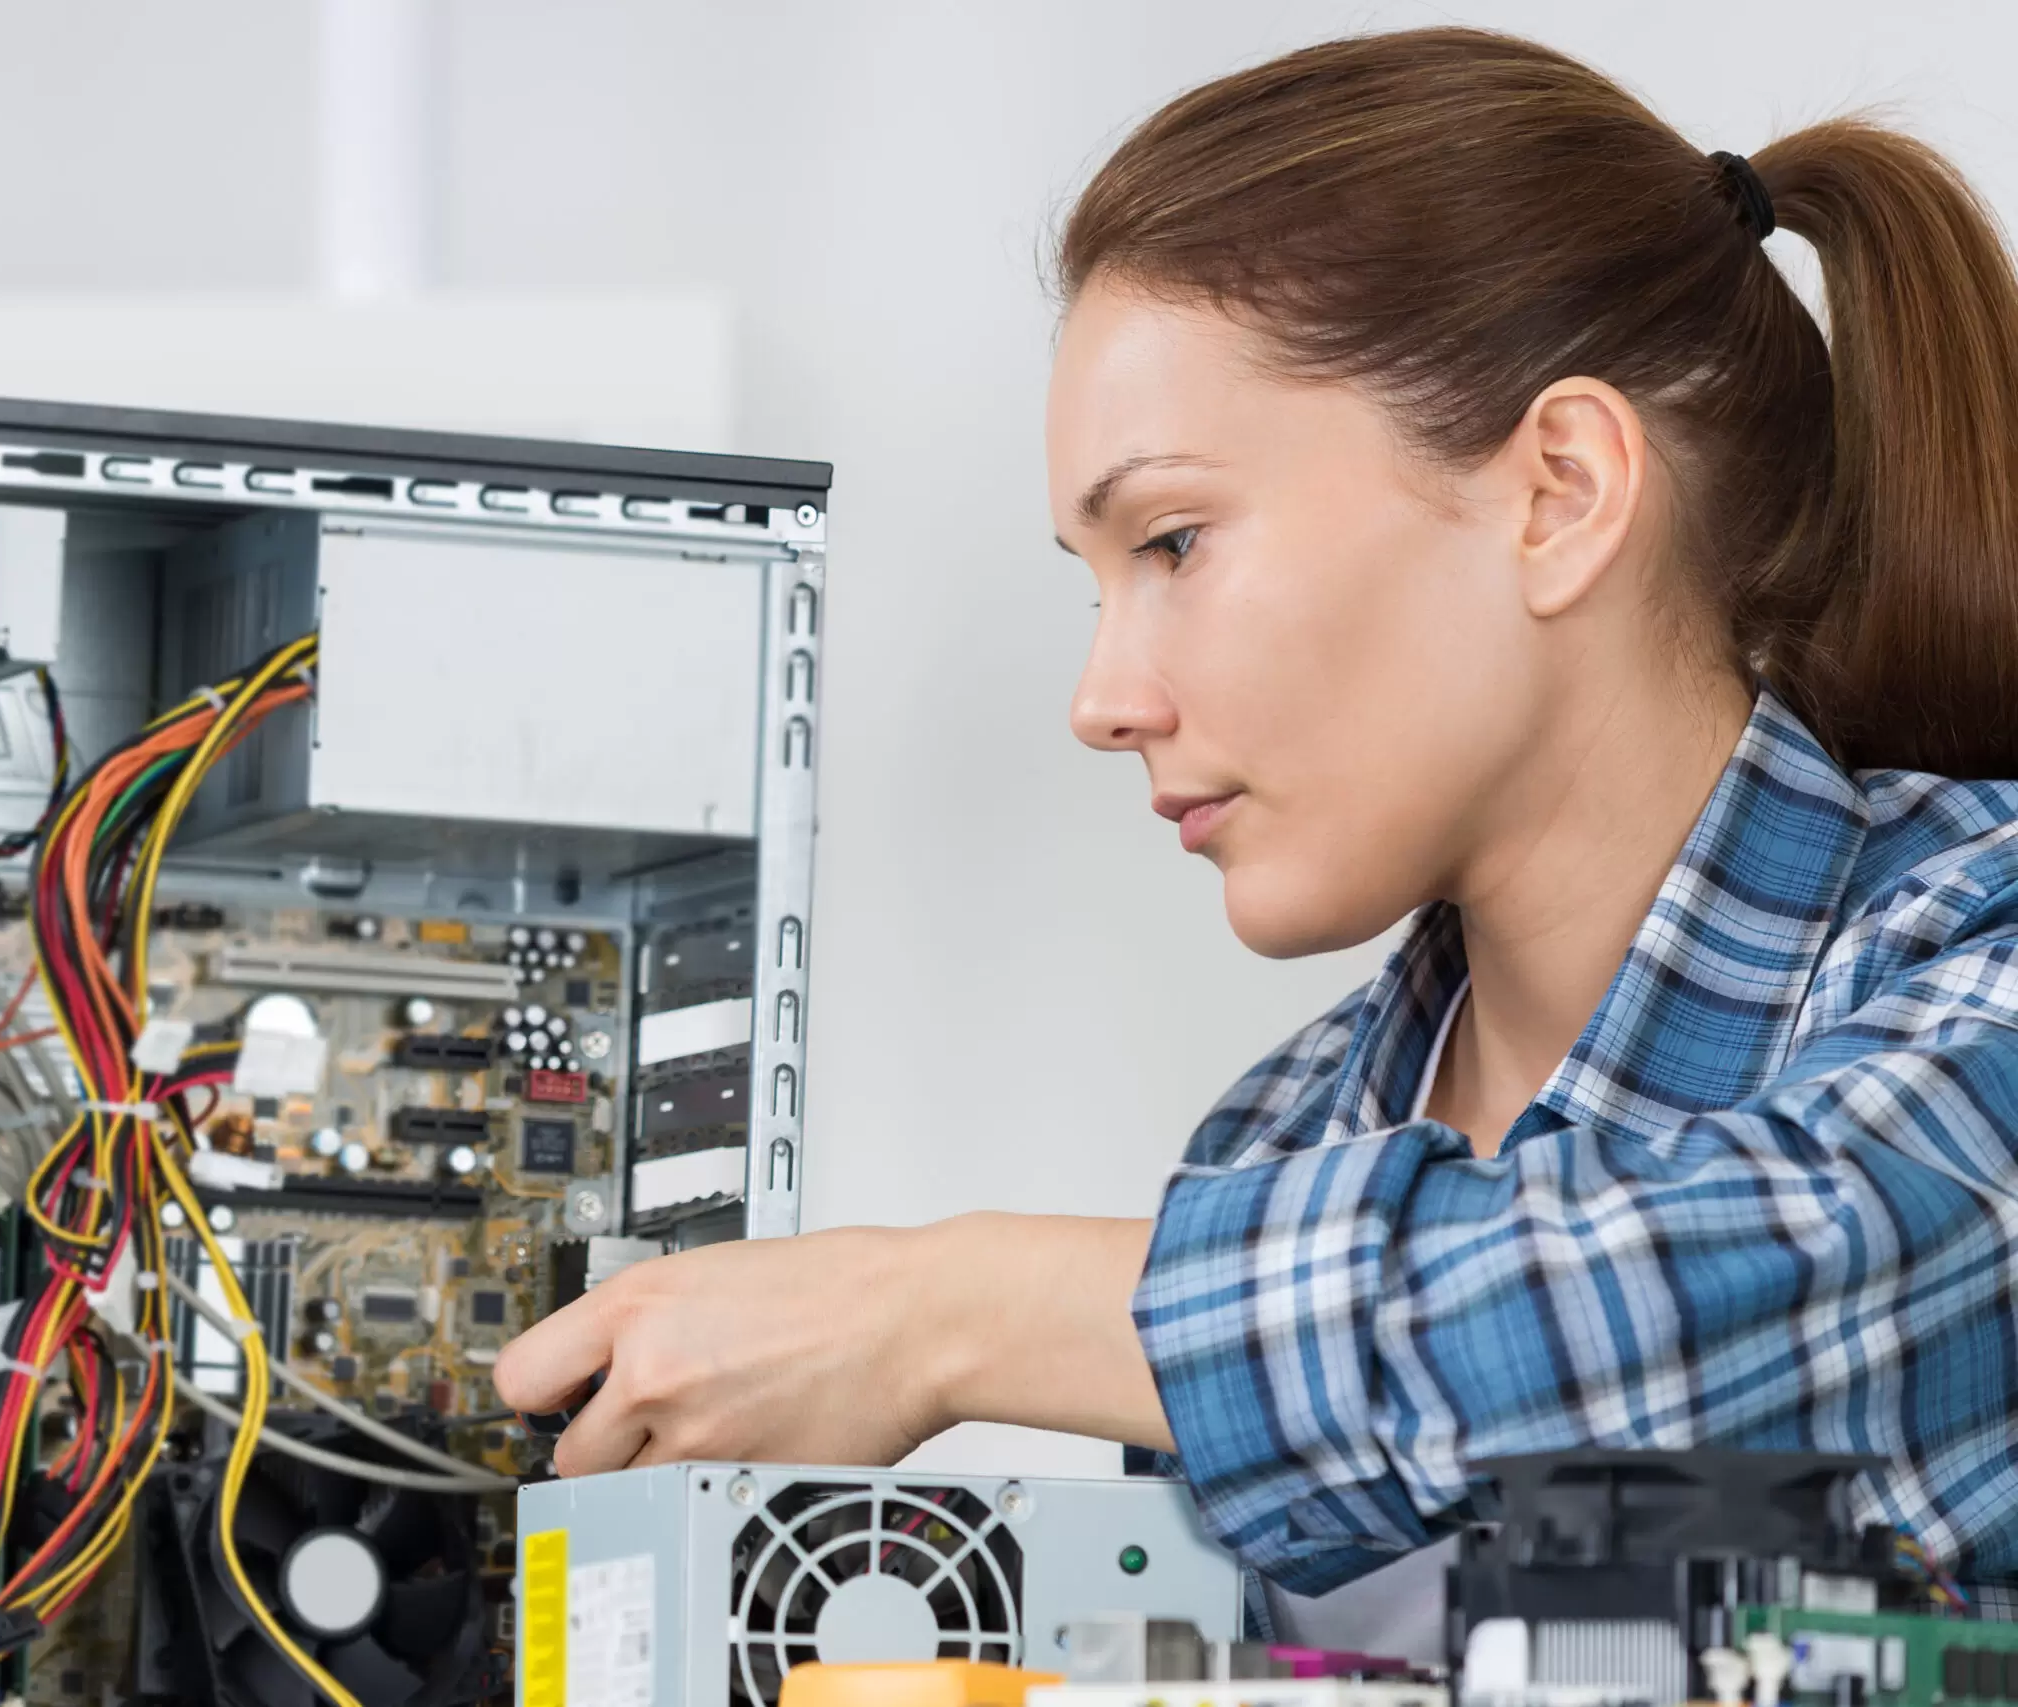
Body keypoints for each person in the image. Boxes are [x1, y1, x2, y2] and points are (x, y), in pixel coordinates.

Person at [495, 25, 2018, 1619]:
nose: (1102, 696)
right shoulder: (1284, 1142)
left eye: (1170, 541)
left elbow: (1705, 1303)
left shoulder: (1979, 974)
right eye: (1095, 582)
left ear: (1561, 490)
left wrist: (935, 1306)